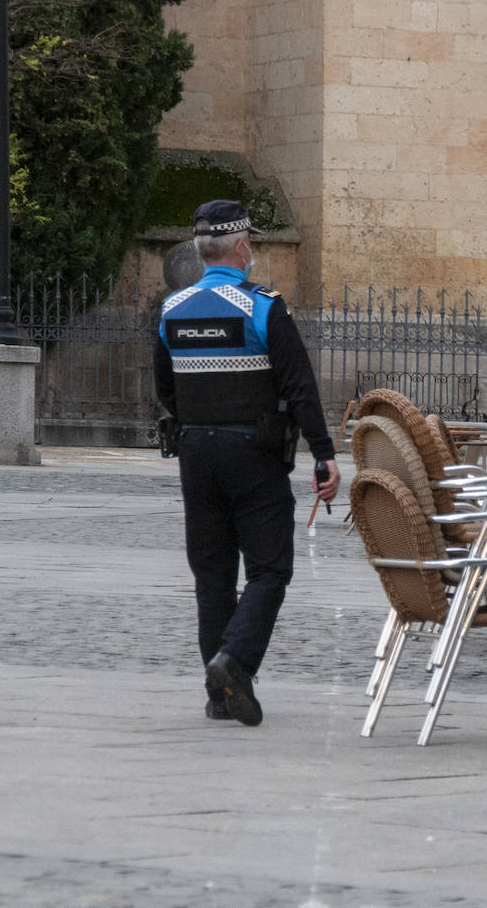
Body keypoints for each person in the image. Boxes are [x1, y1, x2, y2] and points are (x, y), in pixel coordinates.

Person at [154, 199, 340, 726]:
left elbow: (164, 388)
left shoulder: (172, 310)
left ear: (199, 249)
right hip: (254, 455)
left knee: (211, 575)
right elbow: (299, 387)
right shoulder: (263, 306)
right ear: (241, 247)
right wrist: (323, 454)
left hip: (195, 453)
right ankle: (233, 662)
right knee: (270, 570)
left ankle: (221, 696)